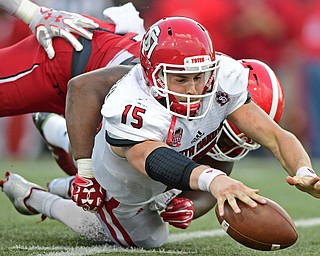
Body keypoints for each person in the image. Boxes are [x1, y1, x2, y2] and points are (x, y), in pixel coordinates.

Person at [2, 17, 319, 249]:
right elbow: (146, 155)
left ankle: (55, 135)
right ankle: (35, 197)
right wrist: (85, 174)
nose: (194, 89)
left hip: (173, 158)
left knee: (169, 184)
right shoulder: (133, 97)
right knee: (148, 237)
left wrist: (304, 172)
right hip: (125, 171)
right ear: (151, 75)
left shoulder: (223, 81)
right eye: (181, 80)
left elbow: (277, 136)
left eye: (199, 76)